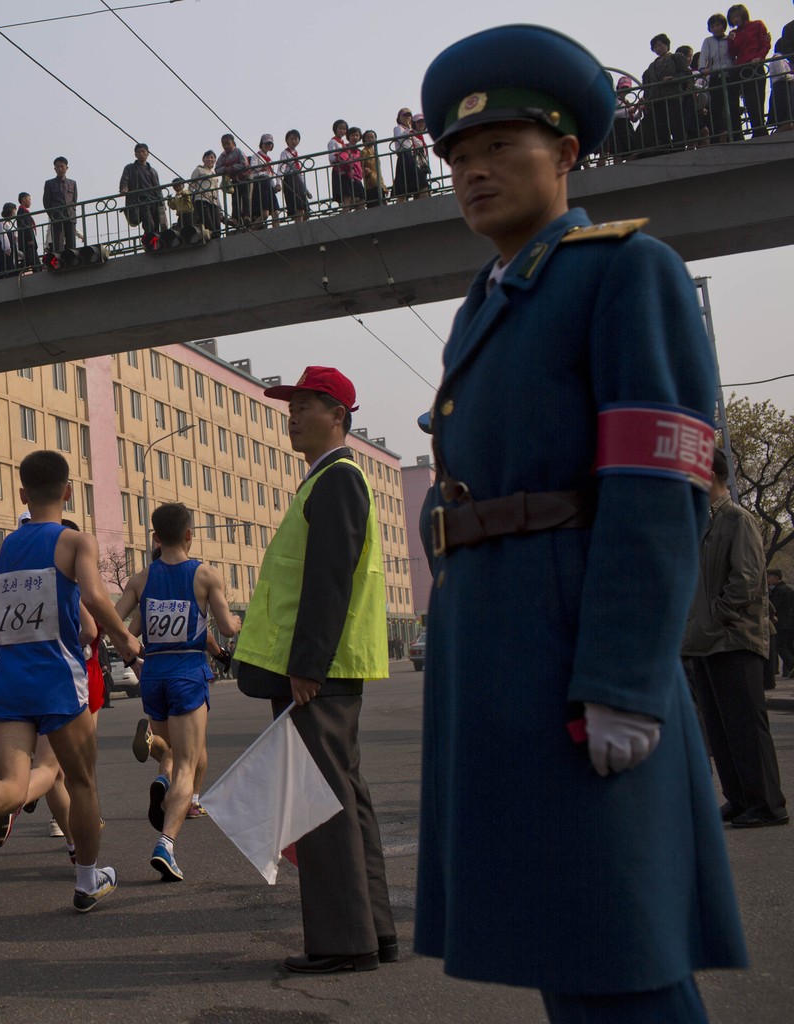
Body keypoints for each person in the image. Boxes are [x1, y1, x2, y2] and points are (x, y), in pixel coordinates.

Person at [417, 24, 748, 1020]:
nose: (474, 172)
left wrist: (622, 677)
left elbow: (659, 481)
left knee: (621, 944)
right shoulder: (492, 298)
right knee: (569, 932)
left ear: (565, 155)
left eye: (500, 150)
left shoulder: (622, 269)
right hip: (501, 647)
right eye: (459, 159)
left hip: (571, 650)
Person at [232, 366, 394, 975]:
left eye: (306, 405)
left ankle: (343, 942)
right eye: (291, 405)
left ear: (339, 416)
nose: (292, 414)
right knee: (344, 796)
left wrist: (307, 665)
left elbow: (329, 577)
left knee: (321, 806)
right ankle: (373, 933)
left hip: (317, 673)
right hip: (326, 670)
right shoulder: (325, 480)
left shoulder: (338, 479)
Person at [0, 451, 141, 912]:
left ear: (21, 494)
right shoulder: (75, 542)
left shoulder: (2, 550)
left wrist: (14, 626)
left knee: (16, 782)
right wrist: (129, 644)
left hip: (9, 682)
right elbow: (95, 598)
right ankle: (87, 880)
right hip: (58, 679)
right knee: (81, 781)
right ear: (69, 491)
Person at [115, 502, 239, 882]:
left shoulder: (140, 579)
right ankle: (166, 844)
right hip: (188, 671)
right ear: (189, 535)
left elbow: (117, 623)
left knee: (168, 752)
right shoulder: (205, 576)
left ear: (155, 537)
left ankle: (155, 753)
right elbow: (228, 628)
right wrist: (232, 618)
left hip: (153, 674)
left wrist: (133, 654)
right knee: (187, 763)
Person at [682, 449, 786, 826]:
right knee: (721, 730)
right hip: (704, 642)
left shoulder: (736, 518)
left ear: (709, 472)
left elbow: (745, 580)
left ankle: (767, 804)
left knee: (745, 727)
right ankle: (740, 798)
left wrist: (717, 618)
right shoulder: (704, 523)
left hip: (733, 639)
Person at [641, 34, 695, 151]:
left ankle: (679, 148)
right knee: (661, 126)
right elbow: (647, 84)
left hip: (673, 96)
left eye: (660, 45)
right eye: (655, 47)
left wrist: (673, 78)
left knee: (676, 123)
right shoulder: (651, 66)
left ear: (666, 45)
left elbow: (686, 73)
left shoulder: (676, 57)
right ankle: (666, 149)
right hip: (657, 99)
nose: (658, 49)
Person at [728, 4, 772, 137]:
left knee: (758, 99)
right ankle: (758, 130)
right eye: (733, 18)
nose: (735, 20)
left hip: (756, 66)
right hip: (742, 68)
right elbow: (733, 52)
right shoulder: (734, 34)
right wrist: (731, 41)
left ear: (743, 14)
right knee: (749, 101)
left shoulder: (757, 25)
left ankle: (760, 130)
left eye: (737, 16)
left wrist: (760, 57)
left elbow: (765, 43)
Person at [701, 15, 737, 142]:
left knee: (733, 106)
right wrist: (702, 69)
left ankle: (736, 135)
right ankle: (717, 136)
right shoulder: (708, 41)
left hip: (730, 75)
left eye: (718, 25)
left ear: (723, 26)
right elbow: (704, 56)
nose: (715, 28)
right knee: (716, 108)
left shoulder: (730, 38)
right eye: (713, 26)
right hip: (716, 76)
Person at [119, 142, 166, 237]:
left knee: (156, 226)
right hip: (141, 201)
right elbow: (125, 180)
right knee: (149, 225)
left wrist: (162, 203)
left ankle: (154, 244)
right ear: (135, 154)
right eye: (138, 152)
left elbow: (158, 188)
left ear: (148, 153)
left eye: (143, 151)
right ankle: (150, 245)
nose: (141, 154)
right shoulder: (130, 168)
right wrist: (124, 188)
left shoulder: (152, 171)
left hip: (154, 200)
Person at [214, 134, 251, 229]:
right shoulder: (222, 156)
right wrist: (225, 169)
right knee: (235, 200)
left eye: (228, 144)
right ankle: (236, 218)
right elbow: (217, 168)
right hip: (234, 181)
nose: (226, 146)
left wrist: (233, 168)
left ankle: (246, 216)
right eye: (224, 144)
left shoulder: (238, 151)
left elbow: (245, 164)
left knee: (245, 197)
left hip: (244, 178)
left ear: (233, 143)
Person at [42, 157, 79, 252]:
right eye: (57, 167)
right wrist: (52, 215)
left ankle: (72, 262)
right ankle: (60, 264)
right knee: (58, 245)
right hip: (57, 217)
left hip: (70, 217)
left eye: (62, 166)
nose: (60, 169)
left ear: (67, 168)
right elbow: (46, 202)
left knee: (72, 245)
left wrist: (72, 212)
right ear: (54, 169)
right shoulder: (49, 183)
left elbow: (74, 200)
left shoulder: (72, 183)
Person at [189, 150, 224, 235]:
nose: (210, 159)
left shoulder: (213, 174)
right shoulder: (199, 170)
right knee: (209, 225)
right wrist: (189, 202)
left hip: (213, 202)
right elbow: (191, 186)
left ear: (215, 160)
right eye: (207, 157)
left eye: (212, 157)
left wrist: (220, 208)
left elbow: (216, 192)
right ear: (203, 159)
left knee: (217, 228)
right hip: (201, 199)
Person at [278, 132, 311, 223]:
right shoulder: (285, 153)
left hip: (297, 180)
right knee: (299, 208)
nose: (293, 141)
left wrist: (306, 189)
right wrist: (278, 182)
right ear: (287, 140)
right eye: (291, 139)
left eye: (296, 139)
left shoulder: (296, 154)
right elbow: (281, 168)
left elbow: (300, 174)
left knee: (305, 210)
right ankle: (298, 229)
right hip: (290, 180)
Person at [770, 567, 794, 678]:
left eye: (769, 577)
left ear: (776, 578)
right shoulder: (789, 590)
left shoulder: (778, 591)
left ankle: (791, 666)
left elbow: (774, 607)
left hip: (781, 623)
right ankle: (787, 671)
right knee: (788, 646)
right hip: (790, 622)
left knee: (780, 646)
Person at [0, 204, 20, 281]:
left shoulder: (11, 224)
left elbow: (15, 238)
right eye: (14, 210)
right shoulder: (2, 221)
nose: (15, 212)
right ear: (10, 210)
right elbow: (3, 235)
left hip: (11, 247)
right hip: (4, 248)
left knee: (11, 263)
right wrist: (6, 248)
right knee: (3, 263)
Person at [15, 193, 41, 272]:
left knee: (33, 259)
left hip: (28, 241)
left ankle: (38, 271)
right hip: (27, 241)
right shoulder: (22, 211)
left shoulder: (24, 211)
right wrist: (30, 239)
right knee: (30, 259)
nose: (30, 202)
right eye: (29, 199)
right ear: (23, 200)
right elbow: (26, 227)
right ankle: (16, 271)